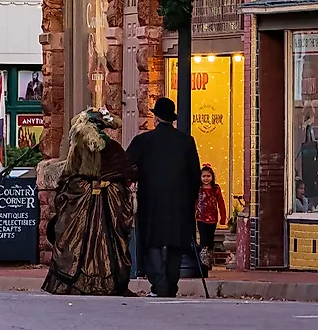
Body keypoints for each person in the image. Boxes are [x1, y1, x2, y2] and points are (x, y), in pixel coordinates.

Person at [43, 109, 136, 296]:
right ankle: (91, 281)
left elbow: (69, 175)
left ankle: (88, 282)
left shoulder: (107, 149)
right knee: (86, 239)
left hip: (102, 202)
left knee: (95, 240)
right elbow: (126, 174)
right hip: (90, 201)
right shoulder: (85, 148)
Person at [128, 96, 201, 298]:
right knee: (176, 244)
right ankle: (170, 286)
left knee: (153, 243)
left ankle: (160, 285)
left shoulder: (143, 141)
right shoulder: (186, 142)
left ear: (156, 118)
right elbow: (195, 175)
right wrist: (189, 200)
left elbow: (126, 166)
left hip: (151, 201)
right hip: (179, 203)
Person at [195, 164, 228, 263]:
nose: (206, 178)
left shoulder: (215, 188)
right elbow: (194, 203)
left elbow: (221, 203)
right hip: (201, 218)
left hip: (213, 218)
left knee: (210, 240)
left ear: (212, 177)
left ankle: (209, 259)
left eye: (208, 176)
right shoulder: (198, 189)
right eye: (204, 176)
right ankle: (203, 260)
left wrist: (223, 217)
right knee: (203, 239)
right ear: (200, 177)